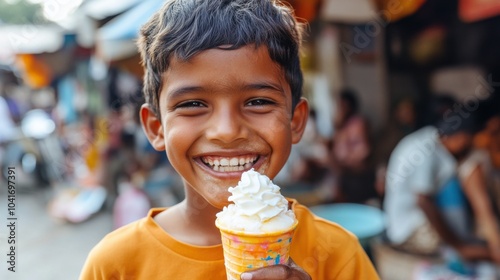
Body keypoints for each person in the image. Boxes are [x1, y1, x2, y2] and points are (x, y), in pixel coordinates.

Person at [80, 1, 379, 279]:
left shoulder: (337, 256)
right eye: (193, 104)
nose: (226, 130)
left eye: (258, 101)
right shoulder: (115, 266)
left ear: (295, 121)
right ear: (156, 128)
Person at [383, 112, 500, 275]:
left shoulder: (433, 139)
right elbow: (423, 202)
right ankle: (469, 253)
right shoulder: (426, 151)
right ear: (461, 137)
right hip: (407, 228)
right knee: (469, 249)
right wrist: (459, 246)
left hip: (414, 216)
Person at [331, 88, 378, 204]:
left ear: (348, 105)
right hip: (346, 173)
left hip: (357, 175)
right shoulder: (343, 124)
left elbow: (364, 150)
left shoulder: (358, 123)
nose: (338, 109)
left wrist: (346, 162)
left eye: (341, 105)